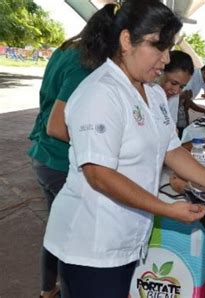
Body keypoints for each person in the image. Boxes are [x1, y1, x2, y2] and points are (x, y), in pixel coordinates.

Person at [42, 2, 205, 298]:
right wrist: (167, 209)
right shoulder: (100, 92)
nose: (165, 59)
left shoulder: (155, 94)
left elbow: (171, 149)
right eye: (159, 47)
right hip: (92, 243)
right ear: (125, 40)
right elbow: (99, 175)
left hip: (126, 237)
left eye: (168, 48)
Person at [28, 10, 96, 298]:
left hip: (44, 154)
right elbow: (58, 125)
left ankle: (47, 291)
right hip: (58, 158)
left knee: (57, 231)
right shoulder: (85, 64)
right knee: (73, 236)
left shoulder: (68, 48)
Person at [177, 62, 205, 131]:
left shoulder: (203, 77)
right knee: (182, 129)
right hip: (178, 106)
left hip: (184, 105)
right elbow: (187, 102)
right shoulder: (193, 76)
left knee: (185, 127)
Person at [157, 50, 194, 125]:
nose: (176, 91)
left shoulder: (174, 98)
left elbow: (171, 125)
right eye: (173, 83)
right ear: (160, 73)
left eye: (182, 87)